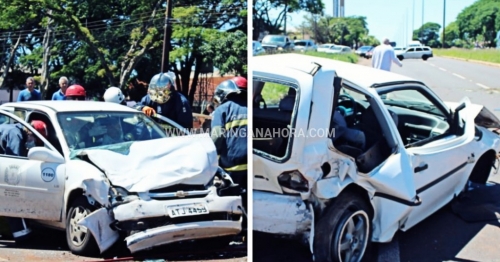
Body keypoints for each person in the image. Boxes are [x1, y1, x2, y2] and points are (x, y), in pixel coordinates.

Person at [0, 120, 48, 244]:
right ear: (30, 132)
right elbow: (16, 162)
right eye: (35, 140)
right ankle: (22, 236)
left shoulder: (12, 128)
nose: (32, 143)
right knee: (13, 198)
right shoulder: (16, 135)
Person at [211, 76, 248, 203]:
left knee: (232, 203)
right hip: (252, 165)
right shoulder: (253, 107)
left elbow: (217, 136)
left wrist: (213, 158)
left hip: (232, 166)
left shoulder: (222, 110)